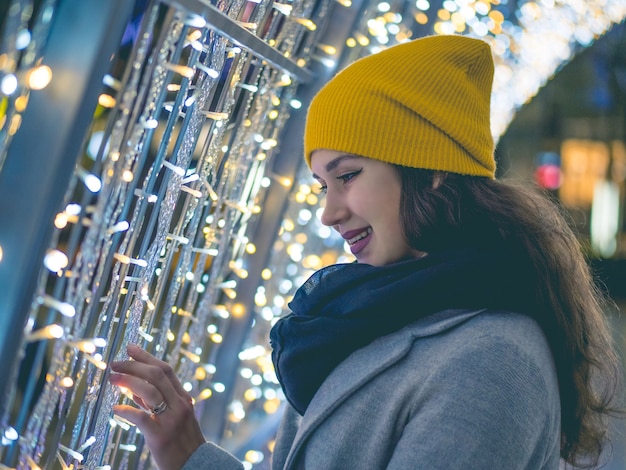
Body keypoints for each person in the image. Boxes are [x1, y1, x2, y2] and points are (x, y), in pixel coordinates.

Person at [108, 34, 621, 469]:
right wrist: (189, 452)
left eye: (348, 176)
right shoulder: (365, 311)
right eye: (321, 185)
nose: (329, 213)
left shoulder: (492, 359)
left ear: (432, 169)